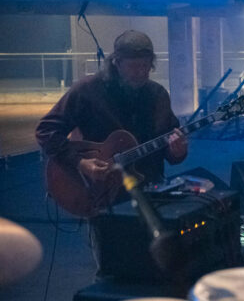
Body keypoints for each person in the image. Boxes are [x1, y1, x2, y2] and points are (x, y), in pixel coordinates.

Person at [36, 29, 187, 197]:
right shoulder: (88, 90)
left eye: (146, 65)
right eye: (134, 66)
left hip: (150, 188)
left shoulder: (158, 95)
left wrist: (177, 152)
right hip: (101, 194)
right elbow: (46, 130)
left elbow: (168, 146)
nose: (141, 72)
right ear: (117, 63)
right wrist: (80, 163)